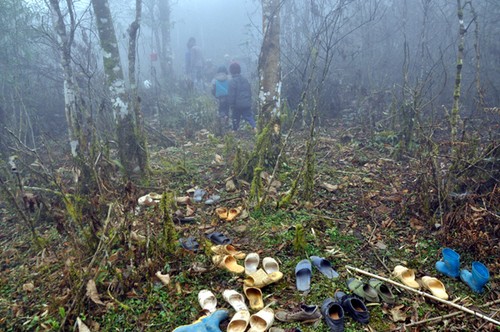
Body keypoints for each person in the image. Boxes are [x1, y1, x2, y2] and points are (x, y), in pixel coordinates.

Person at [227, 62, 256, 131]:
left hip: (237, 105)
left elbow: (231, 95)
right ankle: (255, 128)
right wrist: (249, 101)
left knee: (235, 118)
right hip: (246, 103)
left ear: (231, 71)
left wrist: (231, 104)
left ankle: (235, 131)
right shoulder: (245, 80)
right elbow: (249, 91)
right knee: (249, 117)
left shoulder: (232, 82)